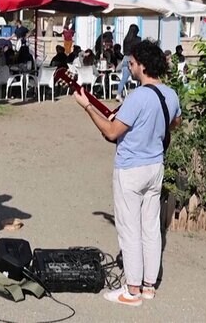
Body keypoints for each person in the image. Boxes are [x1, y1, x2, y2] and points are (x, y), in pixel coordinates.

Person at [73, 40, 181, 307]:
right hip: (155, 166)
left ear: (142, 65)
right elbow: (175, 123)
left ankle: (132, 290)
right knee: (151, 228)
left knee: (129, 229)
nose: (129, 67)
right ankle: (149, 286)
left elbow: (111, 132)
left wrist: (87, 107)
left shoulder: (137, 97)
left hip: (131, 168)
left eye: (132, 63)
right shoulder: (170, 94)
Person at [117, 25, 142, 102]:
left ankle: (118, 94)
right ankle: (138, 93)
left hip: (125, 58)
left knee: (124, 78)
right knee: (139, 77)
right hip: (133, 59)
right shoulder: (138, 39)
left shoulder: (126, 39)